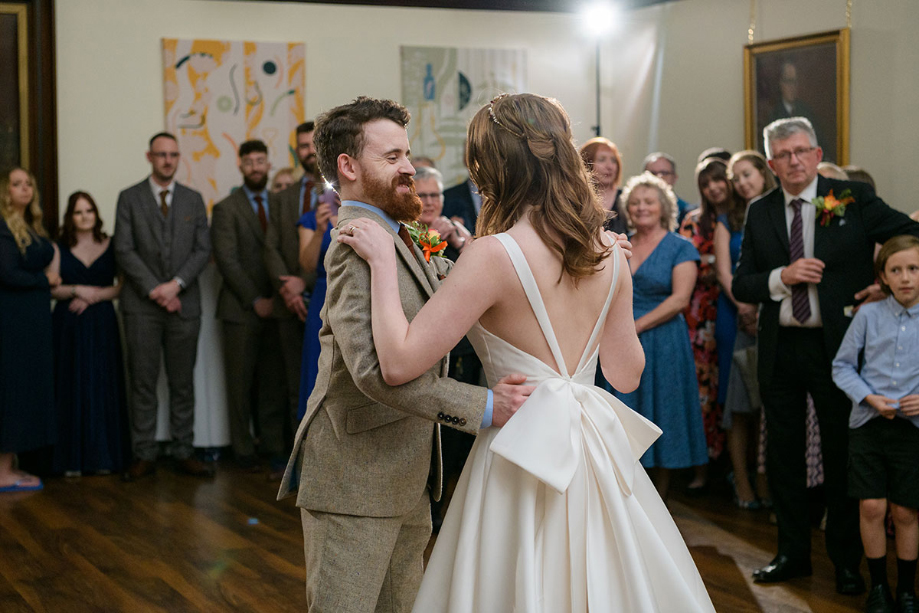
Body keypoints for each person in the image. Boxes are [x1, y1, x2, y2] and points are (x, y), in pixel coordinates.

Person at [338, 94, 715, 612]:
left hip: (517, 454)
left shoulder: (491, 256)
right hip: (593, 457)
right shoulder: (609, 252)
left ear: (491, 169)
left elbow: (400, 362)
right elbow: (625, 376)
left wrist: (384, 263)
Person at [276, 96, 535, 612]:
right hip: (355, 483)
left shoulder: (398, 234)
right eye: (391, 157)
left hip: (406, 475)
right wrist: (485, 407)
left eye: (407, 154)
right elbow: (374, 373)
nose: (409, 168)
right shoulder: (356, 244)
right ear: (347, 167)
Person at [733, 116, 919, 593]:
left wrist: (887, 286)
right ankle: (792, 554)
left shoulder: (848, 199)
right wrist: (783, 277)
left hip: (838, 350)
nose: (794, 161)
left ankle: (847, 562)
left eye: (802, 151)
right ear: (772, 163)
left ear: (817, 155)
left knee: (842, 456)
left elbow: (907, 233)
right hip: (781, 350)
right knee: (784, 457)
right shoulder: (761, 210)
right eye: (784, 155)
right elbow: (743, 282)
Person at [114, 132, 213, 481]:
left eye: (173, 154)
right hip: (141, 307)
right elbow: (123, 250)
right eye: (161, 154)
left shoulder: (193, 199)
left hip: (184, 305)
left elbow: (203, 249)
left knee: (182, 381)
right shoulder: (129, 198)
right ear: (149, 157)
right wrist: (156, 289)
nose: (167, 160)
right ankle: (144, 453)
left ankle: (183, 451)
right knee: (142, 381)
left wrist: (176, 286)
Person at [833, 235, 919, 613]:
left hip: (911, 431)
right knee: (871, 507)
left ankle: (907, 590)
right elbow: (842, 365)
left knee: (905, 511)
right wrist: (869, 397)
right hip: (869, 423)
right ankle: (880, 588)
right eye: (896, 270)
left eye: (914, 269)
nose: (905, 278)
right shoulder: (868, 315)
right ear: (883, 276)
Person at [613, 172, 708, 502]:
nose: (641, 208)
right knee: (622, 409)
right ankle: (622, 491)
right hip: (618, 339)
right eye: (635, 202)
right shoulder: (618, 243)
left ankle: (659, 496)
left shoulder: (680, 247)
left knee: (662, 409)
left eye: (649, 201)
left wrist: (635, 327)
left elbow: (679, 300)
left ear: (663, 206)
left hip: (663, 340)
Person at [211, 140, 287, 471]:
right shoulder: (226, 208)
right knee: (240, 384)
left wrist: (278, 298)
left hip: (281, 305)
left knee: (273, 383)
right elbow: (226, 260)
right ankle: (242, 450)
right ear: (240, 166)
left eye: (261, 161)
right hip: (240, 309)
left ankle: (272, 445)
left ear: (269, 165)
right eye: (249, 162)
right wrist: (256, 300)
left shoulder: (280, 203)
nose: (256, 167)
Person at [47, 191, 128, 476]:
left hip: (102, 323)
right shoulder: (58, 248)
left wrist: (93, 296)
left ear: (96, 214)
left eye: (89, 211)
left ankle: (103, 457)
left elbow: (122, 285)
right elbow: (52, 287)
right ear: (70, 217)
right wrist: (75, 290)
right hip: (68, 325)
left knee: (102, 384)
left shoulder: (113, 244)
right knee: (71, 385)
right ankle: (71, 461)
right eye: (79, 212)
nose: (85, 217)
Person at [414, 165, 477, 531]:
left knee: (458, 435)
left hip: (463, 348)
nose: (429, 202)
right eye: (421, 195)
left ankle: (454, 509)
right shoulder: (407, 234)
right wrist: (428, 242)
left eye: (435, 195)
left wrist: (459, 241)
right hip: (424, 345)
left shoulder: (458, 232)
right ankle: (428, 509)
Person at [0, 167, 57, 492]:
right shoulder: (3, 227)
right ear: (5, 192)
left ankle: (10, 464)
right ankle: (3, 470)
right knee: (13, 391)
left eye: (28, 184)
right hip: (13, 323)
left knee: (26, 390)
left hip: (33, 323)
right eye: (17, 184)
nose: (25, 189)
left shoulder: (31, 226)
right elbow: (7, 273)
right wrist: (44, 281)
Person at [678, 157, 733, 492]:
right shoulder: (692, 221)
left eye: (719, 180)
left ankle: (729, 464)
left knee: (729, 389)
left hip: (728, 308)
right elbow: (685, 263)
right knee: (702, 392)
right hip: (698, 316)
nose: (714, 187)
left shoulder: (743, 216)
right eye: (707, 182)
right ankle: (701, 466)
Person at [265, 121, 317, 431]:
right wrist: (290, 289)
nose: (308, 151)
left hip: (328, 298)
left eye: (313, 144)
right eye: (302, 146)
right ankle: (290, 459)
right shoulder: (285, 197)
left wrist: (306, 283)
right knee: (290, 381)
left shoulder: (343, 192)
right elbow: (270, 247)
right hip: (288, 303)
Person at [293, 172, 340, 421]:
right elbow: (307, 265)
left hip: (354, 294)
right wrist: (321, 230)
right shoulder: (311, 220)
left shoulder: (361, 215)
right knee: (317, 366)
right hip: (323, 296)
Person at [579, 136, 626, 235]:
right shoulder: (578, 198)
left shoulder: (626, 198)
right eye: (602, 159)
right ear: (586, 163)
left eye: (613, 160)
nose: (609, 166)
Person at [643, 151, 697, 225]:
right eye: (652, 173)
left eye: (664, 173)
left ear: (674, 178)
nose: (659, 177)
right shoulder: (633, 209)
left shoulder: (686, 212)